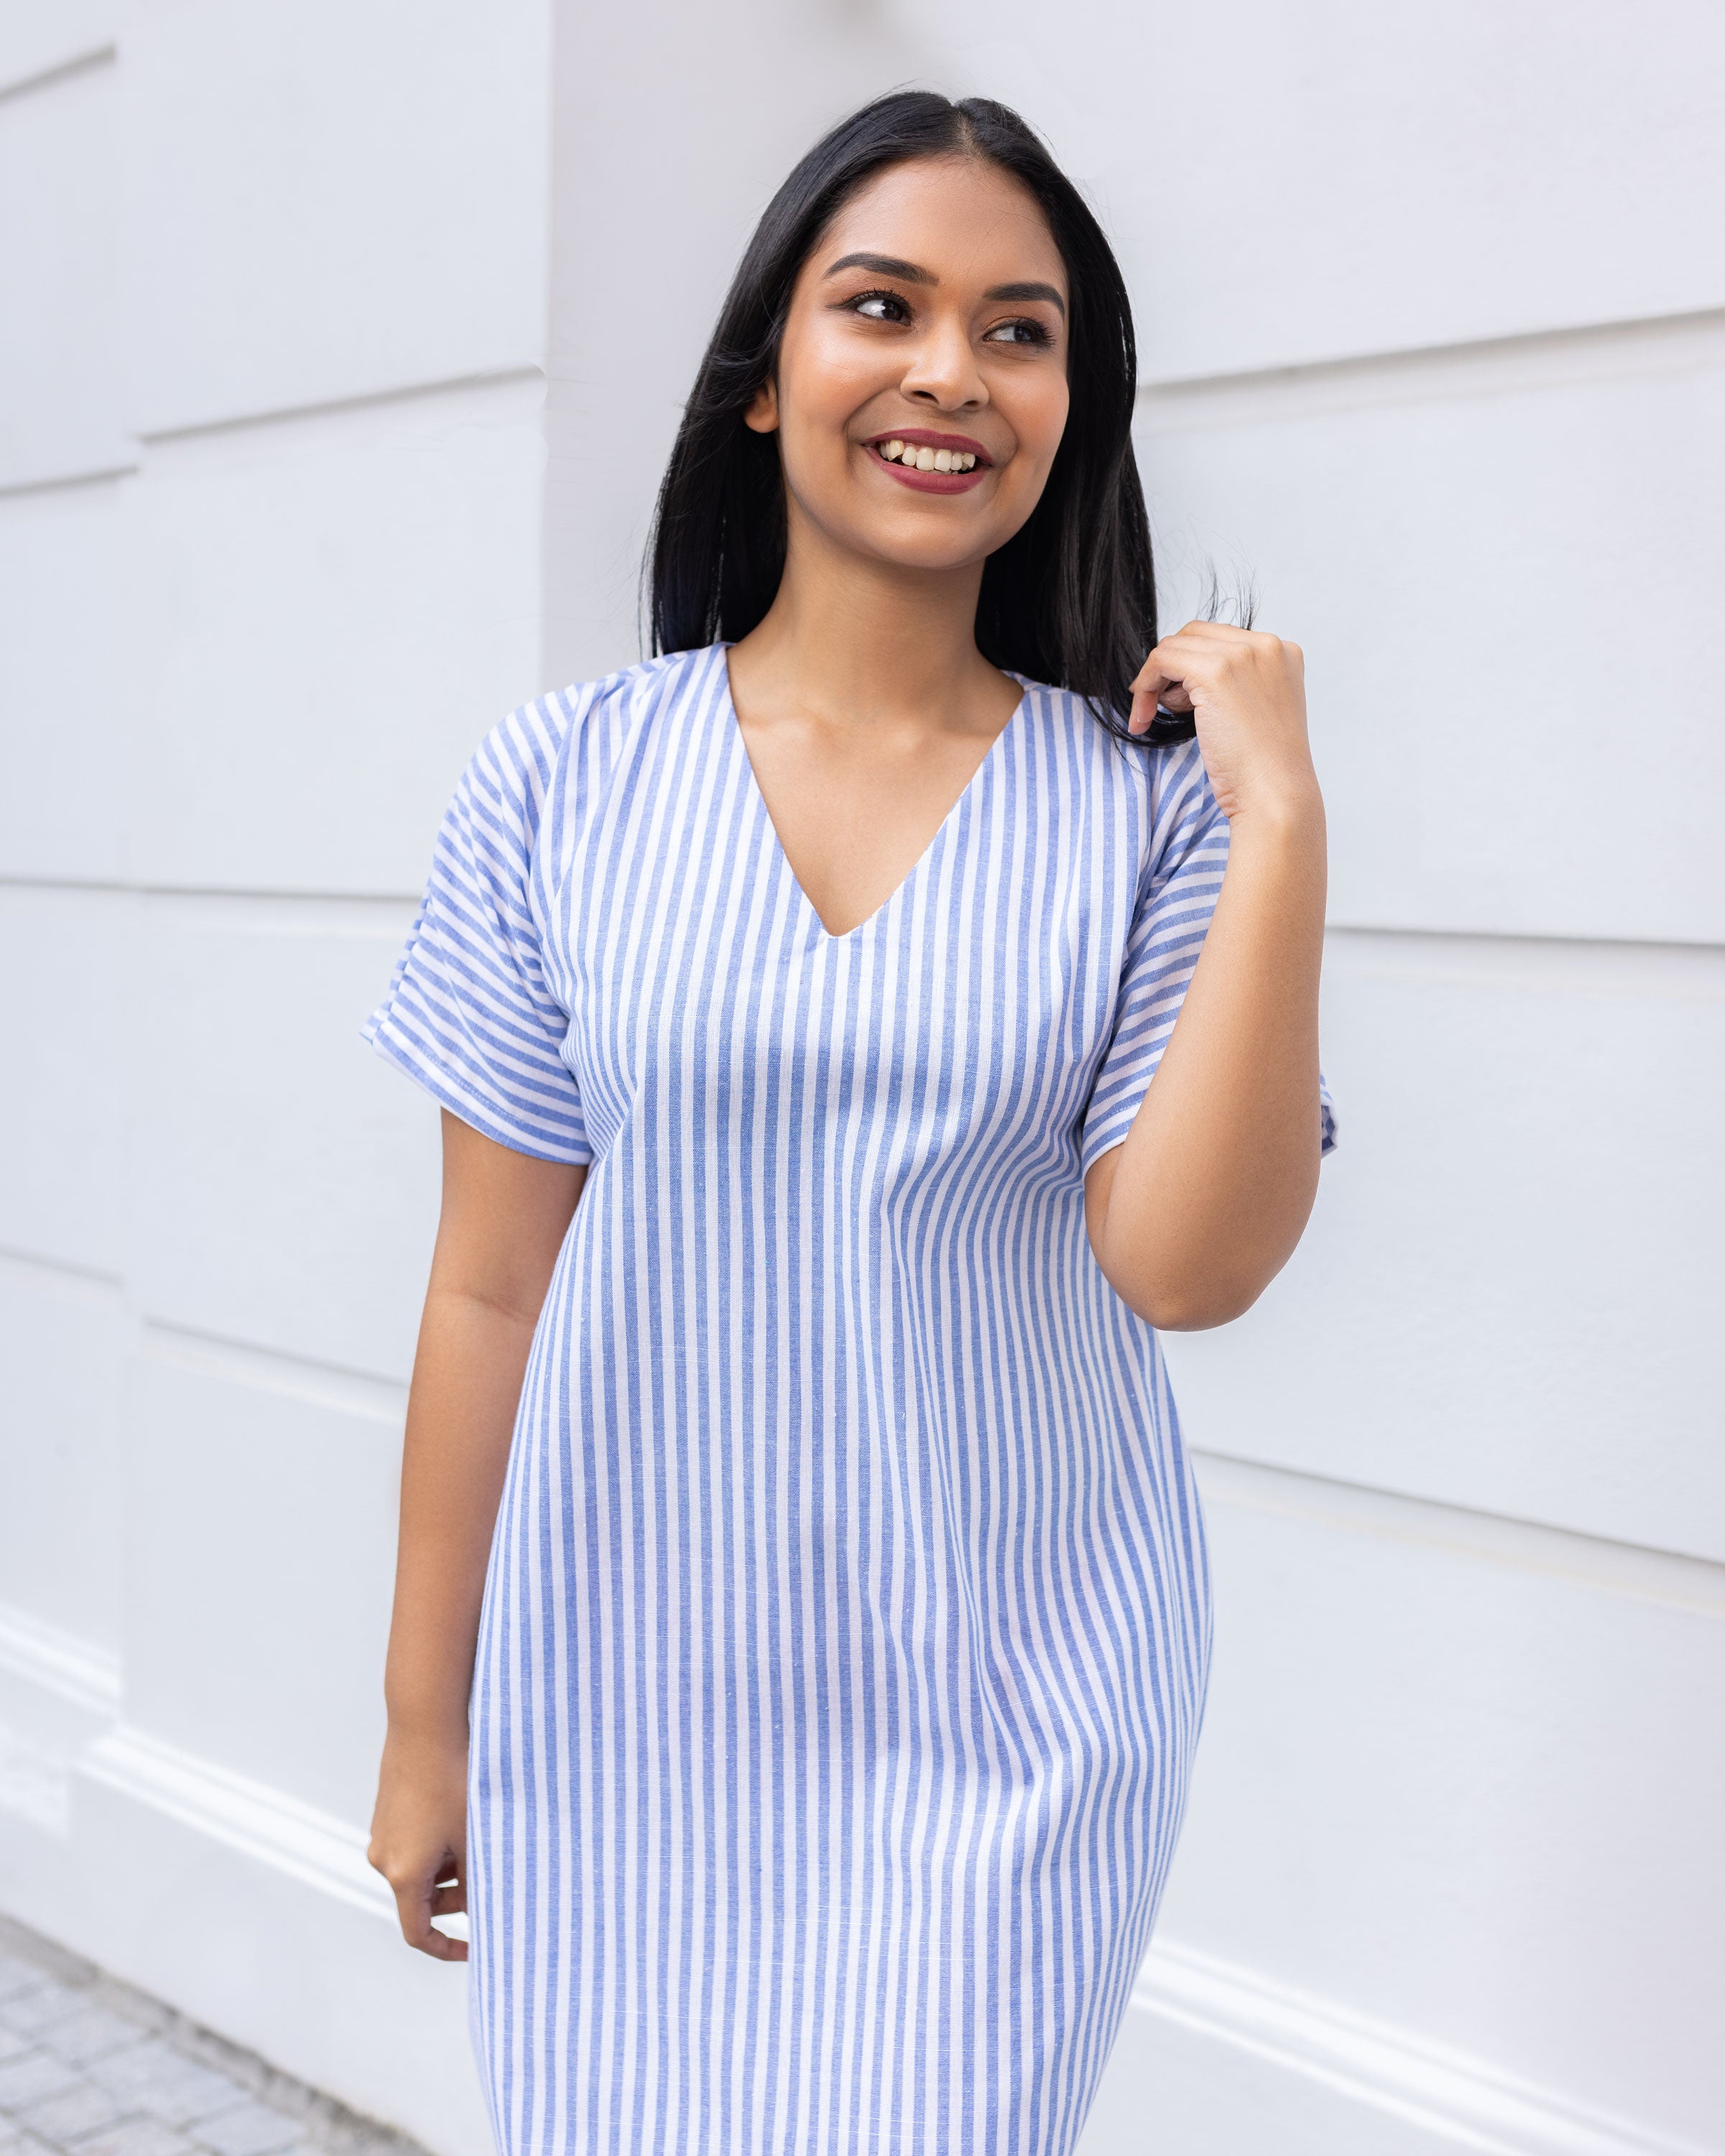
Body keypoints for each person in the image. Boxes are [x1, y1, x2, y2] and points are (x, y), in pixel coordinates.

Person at [363, 88, 1335, 2156]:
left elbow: (1185, 1264)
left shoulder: (1148, 810)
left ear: (1075, 402)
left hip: (1009, 1722)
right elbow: (486, 1289)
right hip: (623, 1707)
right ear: (760, 379)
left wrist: (1281, 827)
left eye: (1020, 329)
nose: (946, 374)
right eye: (879, 305)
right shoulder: (560, 787)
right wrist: (423, 1723)